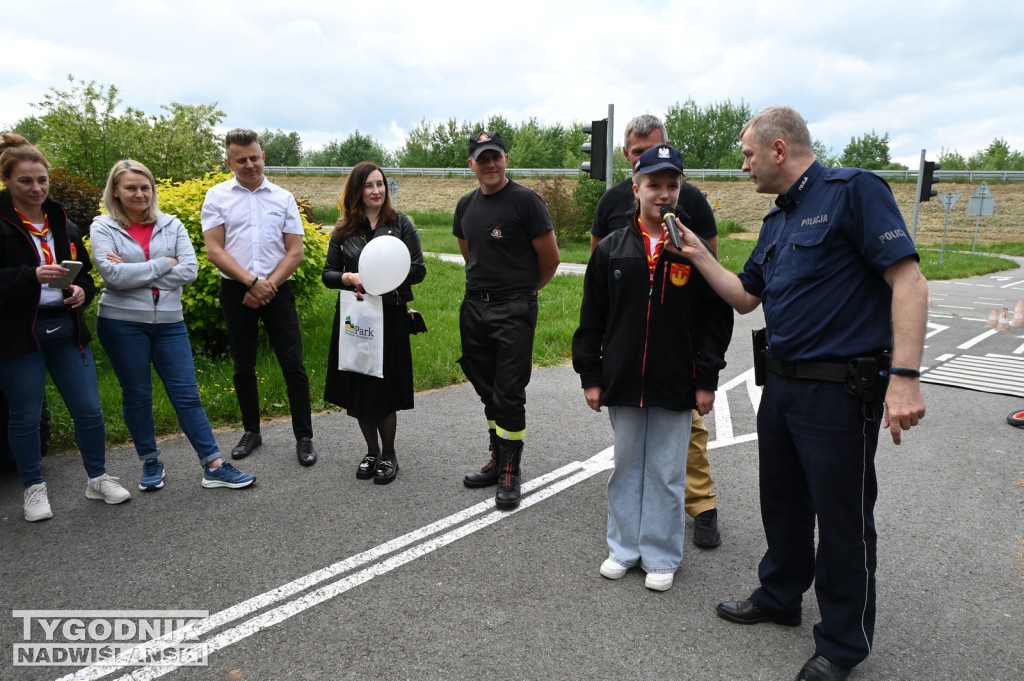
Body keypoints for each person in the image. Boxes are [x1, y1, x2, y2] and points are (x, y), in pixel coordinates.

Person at [670, 106, 927, 681]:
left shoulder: (853, 191)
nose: (744, 166)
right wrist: (699, 254)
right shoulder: (777, 220)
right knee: (781, 503)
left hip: (840, 393)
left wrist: (905, 377)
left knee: (842, 521)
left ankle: (841, 645)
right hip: (781, 386)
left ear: (779, 149)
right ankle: (780, 596)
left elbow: (908, 280)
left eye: (748, 154)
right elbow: (744, 297)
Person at [573, 144, 733, 591]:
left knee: (666, 470)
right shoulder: (612, 249)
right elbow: (593, 317)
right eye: (654, 185)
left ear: (680, 191)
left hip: (676, 381)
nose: (663, 194)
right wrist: (591, 374)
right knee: (626, 465)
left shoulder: (692, 251)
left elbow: (713, 320)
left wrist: (705, 378)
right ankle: (623, 548)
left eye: (672, 186)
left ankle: (662, 555)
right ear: (636, 187)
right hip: (623, 380)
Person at [91, 160, 255, 491]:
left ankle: (213, 464)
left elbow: (190, 271)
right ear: (116, 192)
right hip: (121, 324)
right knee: (137, 396)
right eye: (131, 188)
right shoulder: (103, 227)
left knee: (187, 395)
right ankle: (151, 462)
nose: (140, 193)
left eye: (145, 187)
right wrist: (165, 263)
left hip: (169, 323)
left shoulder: (172, 224)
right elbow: (113, 277)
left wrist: (136, 270)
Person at [0, 133, 131, 521]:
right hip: (18, 334)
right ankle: (34, 487)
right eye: (25, 180)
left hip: (65, 328)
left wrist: (80, 292)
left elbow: (86, 277)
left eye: (42, 180)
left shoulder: (65, 224)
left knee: (89, 410)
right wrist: (30, 276)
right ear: (7, 181)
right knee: (24, 415)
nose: (36, 188)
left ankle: (97, 478)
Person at [455, 131, 560, 510]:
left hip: (513, 309)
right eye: (482, 159)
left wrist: (522, 293)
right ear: (472, 165)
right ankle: (497, 458)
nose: (490, 164)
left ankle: (511, 472)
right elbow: (470, 254)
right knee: (487, 389)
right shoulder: (465, 206)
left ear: (506, 158)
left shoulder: (526, 201)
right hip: (474, 308)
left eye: (495, 156)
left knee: (509, 393)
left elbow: (550, 259)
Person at [201, 128, 317, 466]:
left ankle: (304, 436)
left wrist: (267, 286)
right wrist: (252, 283)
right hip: (237, 289)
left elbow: (295, 253)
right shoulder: (217, 197)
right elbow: (214, 250)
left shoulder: (283, 198)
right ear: (229, 162)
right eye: (241, 160)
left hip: (278, 289)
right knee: (243, 365)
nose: (250, 164)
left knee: (293, 365)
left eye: (254, 157)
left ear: (263, 156)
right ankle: (251, 431)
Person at [322, 162, 426, 484]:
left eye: (380, 184)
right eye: (369, 185)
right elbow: (327, 275)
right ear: (357, 190)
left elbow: (419, 269)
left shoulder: (401, 225)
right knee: (360, 389)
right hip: (356, 318)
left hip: (391, 317)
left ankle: (390, 454)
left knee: (384, 388)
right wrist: (348, 276)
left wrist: (388, 275)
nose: (377, 191)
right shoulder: (343, 231)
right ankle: (371, 451)